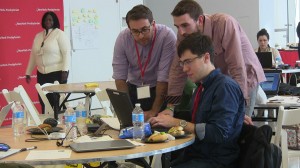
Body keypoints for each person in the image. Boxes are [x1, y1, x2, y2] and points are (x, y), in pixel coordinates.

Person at [150, 32, 245, 168]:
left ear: (206, 57)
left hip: (216, 160)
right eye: (182, 63)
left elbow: (219, 133)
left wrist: (177, 122)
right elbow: (197, 123)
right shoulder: (202, 87)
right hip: (197, 155)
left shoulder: (224, 87)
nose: (184, 69)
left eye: (188, 62)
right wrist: (165, 121)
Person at [163, 0, 264, 120]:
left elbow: (237, 66)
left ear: (200, 20)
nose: (180, 32)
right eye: (177, 27)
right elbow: (177, 69)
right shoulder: (184, 34)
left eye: (185, 25)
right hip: (220, 82)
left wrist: (239, 106)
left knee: (237, 123)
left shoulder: (224, 23)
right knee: (215, 124)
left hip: (245, 77)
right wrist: (170, 108)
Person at [112, 5, 176, 121]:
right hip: (133, 88)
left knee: (158, 127)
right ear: (129, 28)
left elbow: (164, 77)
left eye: (145, 30)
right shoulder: (123, 38)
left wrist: (154, 111)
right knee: (132, 127)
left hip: (160, 89)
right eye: (135, 31)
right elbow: (120, 77)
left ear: (153, 24)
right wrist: (127, 111)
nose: (140, 36)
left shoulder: (167, 36)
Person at [25, 11, 71, 114]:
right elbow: (33, 55)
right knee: (44, 100)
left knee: (58, 101)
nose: (48, 21)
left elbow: (67, 53)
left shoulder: (59, 34)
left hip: (57, 73)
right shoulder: (38, 36)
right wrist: (28, 72)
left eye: (50, 19)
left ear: (54, 21)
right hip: (41, 74)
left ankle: (60, 123)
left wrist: (65, 70)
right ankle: (47, 122)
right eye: (46, 19)